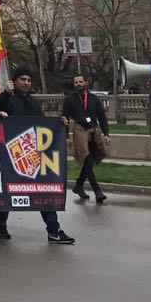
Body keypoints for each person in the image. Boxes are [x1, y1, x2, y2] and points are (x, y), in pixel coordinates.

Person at [0, 69, 75, 246]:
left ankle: (53, 230)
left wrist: (58, 123)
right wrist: (1, 108)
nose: (27, 82)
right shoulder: (6, 99)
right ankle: (0, 222)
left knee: (44, 192)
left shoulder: (33, 102)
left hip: (33, 153)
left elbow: (42, 124)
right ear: (14, 81)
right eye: (23, 79)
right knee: (9, 191)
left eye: (29, 79)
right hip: (10, 156)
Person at [62, 72, 111, 203]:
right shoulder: (70, 99)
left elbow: (102, 117)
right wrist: (66, 136)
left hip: (94, 131)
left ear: (86, 83)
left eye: (80, 82)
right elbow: (64, 118)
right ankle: (97, 191)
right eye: (76, 82)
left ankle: (78, 185)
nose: (78, 84)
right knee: (87, 159)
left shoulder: (94, 99)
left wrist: (106, 134)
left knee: (92, 159)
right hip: (80, 131)